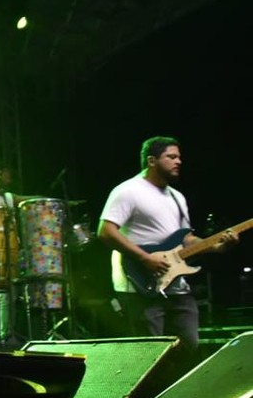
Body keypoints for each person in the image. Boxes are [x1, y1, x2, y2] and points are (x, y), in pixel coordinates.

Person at [97, 136, 237, 372]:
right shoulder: (128, 191)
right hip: (140, 284)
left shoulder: (177, 197)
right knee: (150, 357)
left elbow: (186, 238)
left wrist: (217, 245)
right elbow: (105, 231)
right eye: (171, 157)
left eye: (179, 157)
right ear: (152, 161)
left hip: (176, 284)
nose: (178, 161)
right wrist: (145, 258)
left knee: (188, 347)